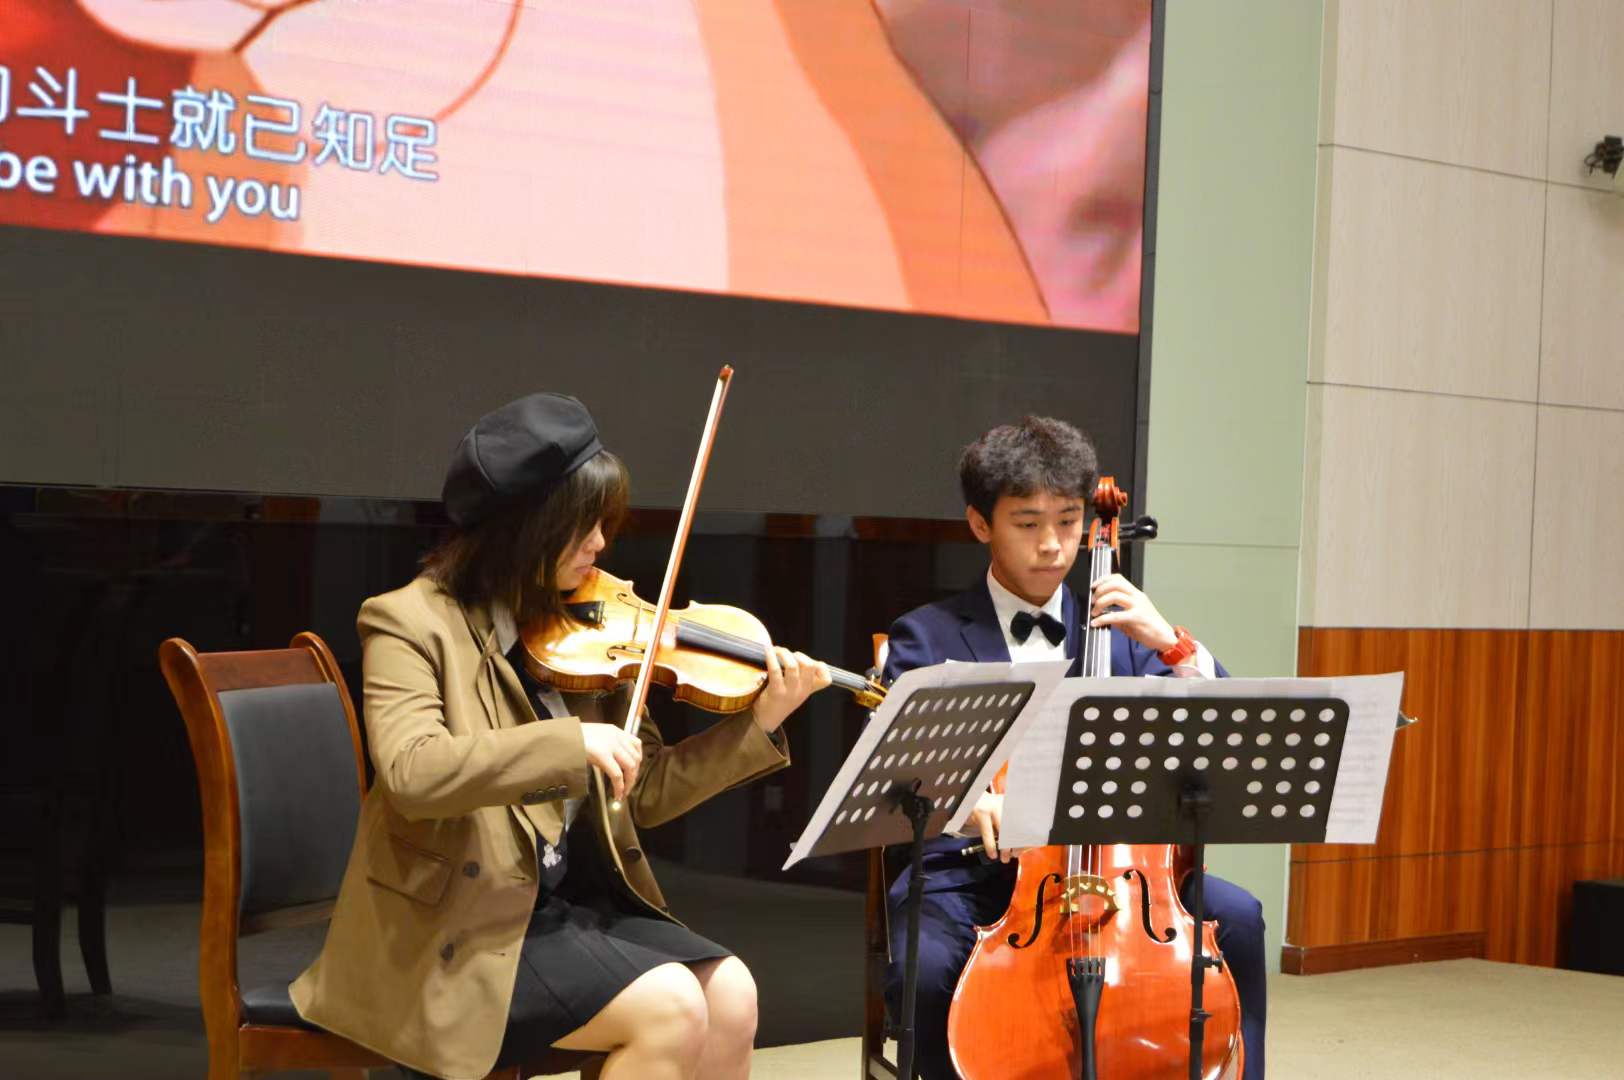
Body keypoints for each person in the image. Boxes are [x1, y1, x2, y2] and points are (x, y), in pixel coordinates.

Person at [290, 393, 832, 1080]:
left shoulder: (589, 625)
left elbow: (646, 792)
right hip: (455, 931)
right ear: (523, 531)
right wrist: (569, 746)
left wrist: (760, 721)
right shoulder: (408, 623)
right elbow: (412, 772)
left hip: (564, 908)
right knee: (670, 1007)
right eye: (581, 527)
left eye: (603, 524)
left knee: (731, 994)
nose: (600, 545)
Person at [880, 415, 1267, 1080]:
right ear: (980, 524)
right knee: (929, 966)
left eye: (1068, 521)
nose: (1053, 545)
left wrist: (1171, 644)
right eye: (1028, 523)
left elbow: (1224, 732)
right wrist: (968, 800)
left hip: (1124, 878)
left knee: (1240, 919)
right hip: (972, 876)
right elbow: (896, 768)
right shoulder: (927, 636)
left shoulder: (1122, 636)